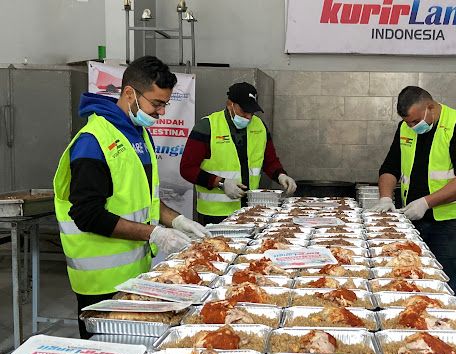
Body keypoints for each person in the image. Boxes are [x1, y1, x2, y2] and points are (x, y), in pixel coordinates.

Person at [53, 56, 210, 338]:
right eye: (157, 103)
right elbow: (87, 214)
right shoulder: (93, 141)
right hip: (100, 282)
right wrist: (154, 233)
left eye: (165, 104)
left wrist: (177, 221)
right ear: (129, 93)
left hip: (135, 275)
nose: (161, 112)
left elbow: (146, 200)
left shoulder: (139, 135)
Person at [372, 86, 456, 296]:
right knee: (409, 279)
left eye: (415, 121)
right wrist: (385, 198)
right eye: (407, 122)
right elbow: (390, 167)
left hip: (452, 225)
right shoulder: (405, 128)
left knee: (444, 287)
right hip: (413, 221)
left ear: (430, 107)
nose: (412, 127)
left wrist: (426, 203)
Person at [180, 82, 297, 224]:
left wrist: (280, 175)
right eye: (244, 111)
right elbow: (187, 169)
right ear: (230, 104)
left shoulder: (259, 126)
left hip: (251, 211)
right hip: (215, 215)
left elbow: (269, 161)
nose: (248, 117)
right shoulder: (207, 126)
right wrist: (220, 183)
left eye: (252, 112)